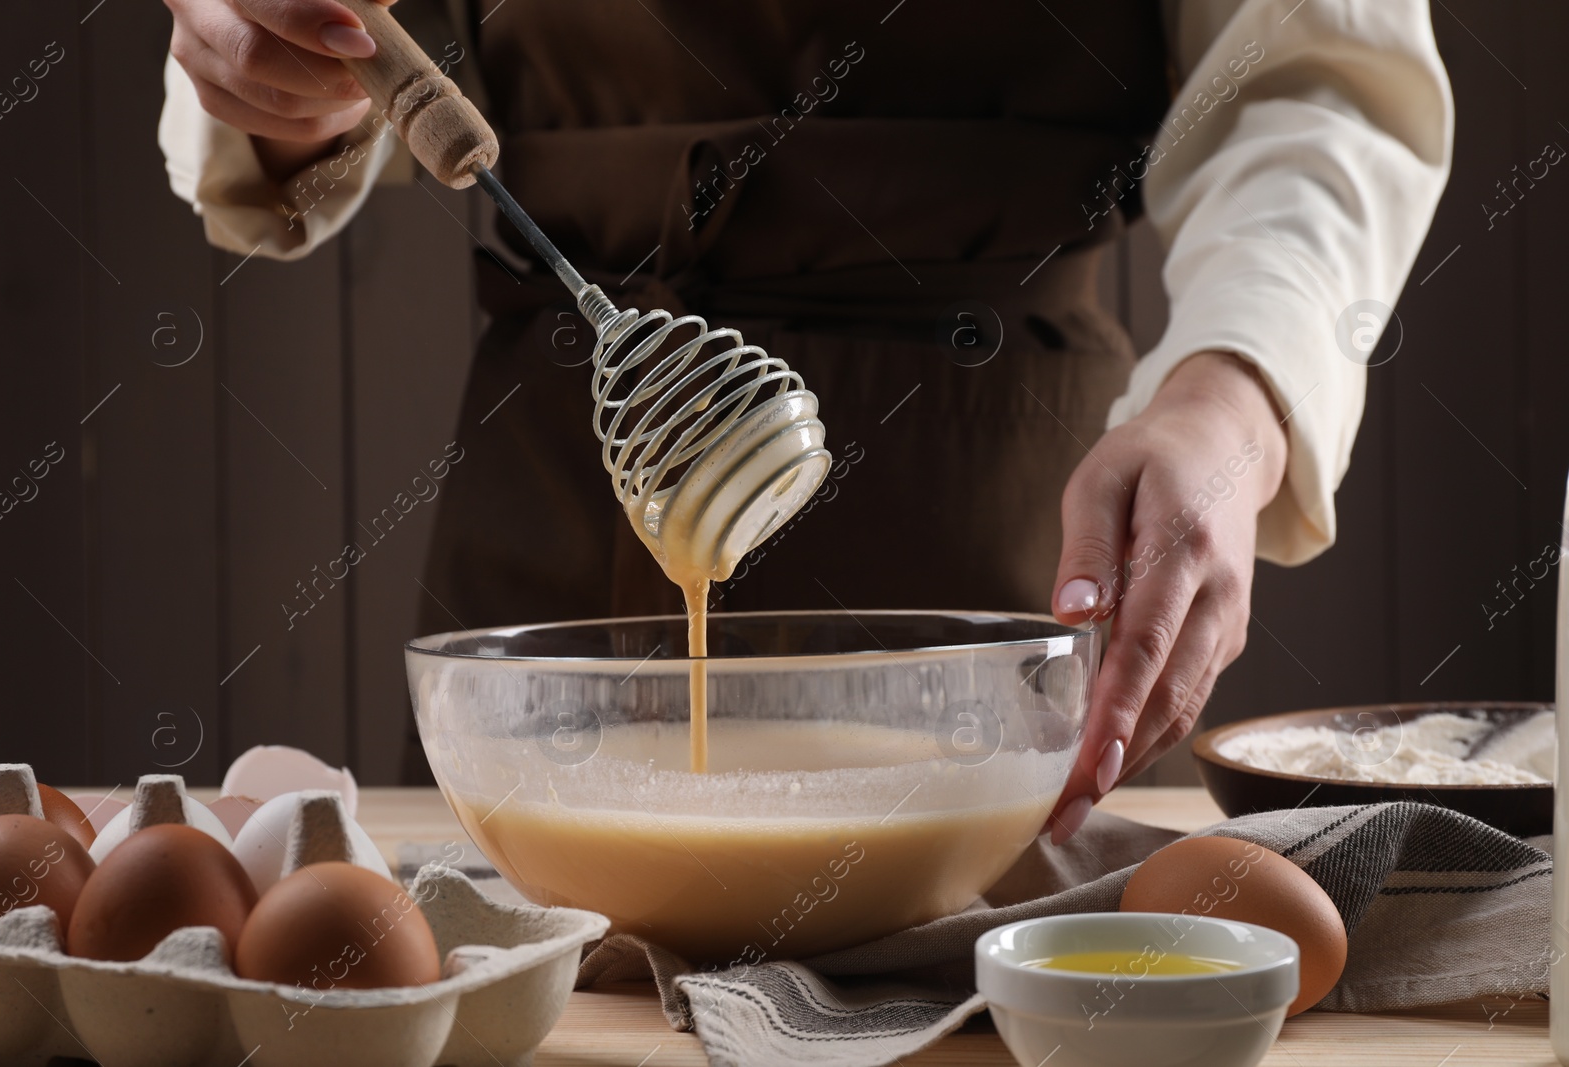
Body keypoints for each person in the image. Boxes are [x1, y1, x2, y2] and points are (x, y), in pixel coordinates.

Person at [159, 0, 1451, 839]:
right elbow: (303, 76)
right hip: (553, 508)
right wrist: (281, 72)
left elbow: (1316, 80)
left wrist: (1237, 393)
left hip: (998, 536)